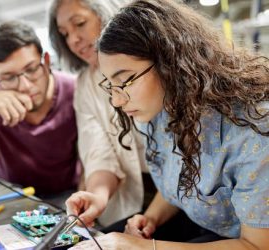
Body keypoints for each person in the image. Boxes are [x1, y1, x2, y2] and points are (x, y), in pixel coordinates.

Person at [69, 0, 269, 249]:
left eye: (126, 80)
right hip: (206, 228)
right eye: (111, 85)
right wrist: (151, 218)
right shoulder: (162, 111)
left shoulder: (253, 133)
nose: (117, 100)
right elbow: (181, 181)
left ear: (172, 63)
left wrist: (143, 247)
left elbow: (257, 245)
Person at [48, 0, 155, 227]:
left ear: (108, 13)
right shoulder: (86, 84)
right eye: (65, 33)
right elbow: (99, 152)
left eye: (80, 23)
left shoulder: (154, 64)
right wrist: (97, 195)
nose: (73, 40)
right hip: (131, 196)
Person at [0, 20, 80, 205]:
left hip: (67, 196)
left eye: (31, 69)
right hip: (9, 193)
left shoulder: (75, 90)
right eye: (8, 77)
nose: (25, 86)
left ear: (46, 62)